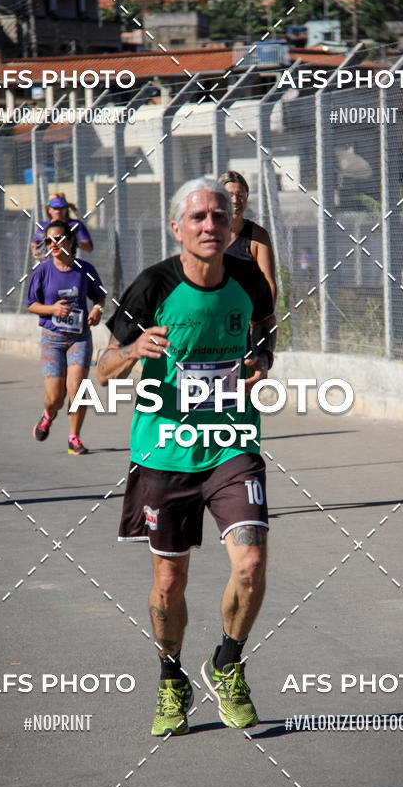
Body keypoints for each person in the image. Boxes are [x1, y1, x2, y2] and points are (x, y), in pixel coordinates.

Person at [97, 177, 276, 736]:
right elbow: (103, 368)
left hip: (232, 443)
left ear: (231, 226)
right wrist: (131, 351)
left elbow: (263, 335)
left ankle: (228, 660)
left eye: (219, 217)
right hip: (163, 450)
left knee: (250, 562)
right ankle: (172, 677)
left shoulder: (249, 277)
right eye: (197, 217)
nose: (209, 226)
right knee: (170, 582)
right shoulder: (152, 286)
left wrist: (260, 363)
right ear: (177, 227)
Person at [27, 220, 105, 455]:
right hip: (52, 339)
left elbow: (100, 298)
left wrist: (97, 311)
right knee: (55, 397)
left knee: (78, 389)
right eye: (49, 241)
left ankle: (74, 438)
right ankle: (49, 414)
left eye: (59, 239)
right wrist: (52, 310)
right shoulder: (42, 271)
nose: (54, 244)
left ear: (70, 241)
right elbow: (32, 304)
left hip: (79, 338)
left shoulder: (85, 270)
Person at [217, 170, 277, 305]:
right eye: (229, 195)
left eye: (240, 195)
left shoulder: (257, 237)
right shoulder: (208, 234)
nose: (235, 201)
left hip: (243, 318)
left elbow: (269, 285)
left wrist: (260, 320)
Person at [30, 194, 94, 261]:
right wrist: (35, 250)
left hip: (69, 264)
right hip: (47, 264)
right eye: (55, 208)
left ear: (66, 209)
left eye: (61, 208)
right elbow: (34, 242)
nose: (58, 211)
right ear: (49, 210)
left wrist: (74, 240)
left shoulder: (75, 225)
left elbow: (89, 248)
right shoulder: (43, 226)